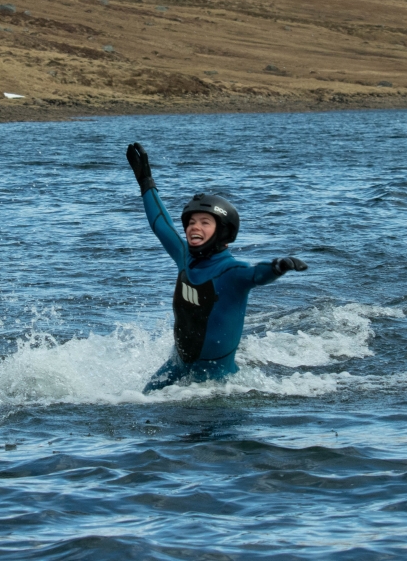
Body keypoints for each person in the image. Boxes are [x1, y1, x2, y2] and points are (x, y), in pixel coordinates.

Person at [126, 142, 308, 393]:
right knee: (138, 403)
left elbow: (257, 274)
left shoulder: (232, 272)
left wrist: (278, 266)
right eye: (190, 222)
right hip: (178, 366)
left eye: (204, 222)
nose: (194, 227)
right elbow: (160, 223)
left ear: (222, 232)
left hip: (220, 385)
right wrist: (146, 182)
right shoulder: (184, 257)